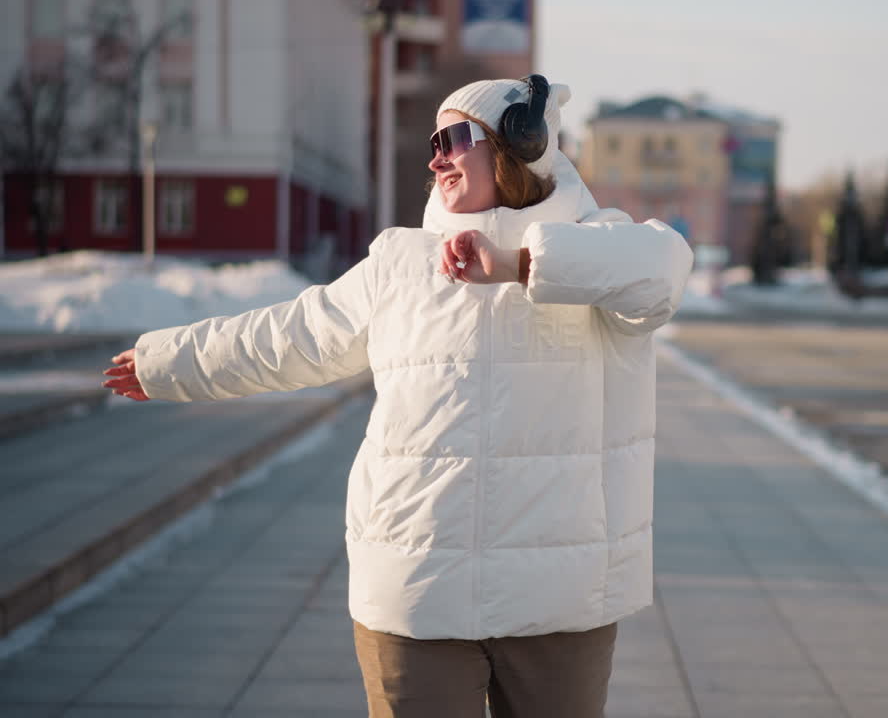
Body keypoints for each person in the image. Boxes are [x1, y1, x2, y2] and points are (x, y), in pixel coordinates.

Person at [102, 75, 694, 718]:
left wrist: (518, 264)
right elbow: (288, 338)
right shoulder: (400, 263)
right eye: (433, 141)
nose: (437, 155)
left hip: (558, 600)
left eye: (456, 137)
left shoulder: (600, 251)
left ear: (519, 145)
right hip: (418, 593)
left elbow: (664, 269)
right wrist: (170, 362)